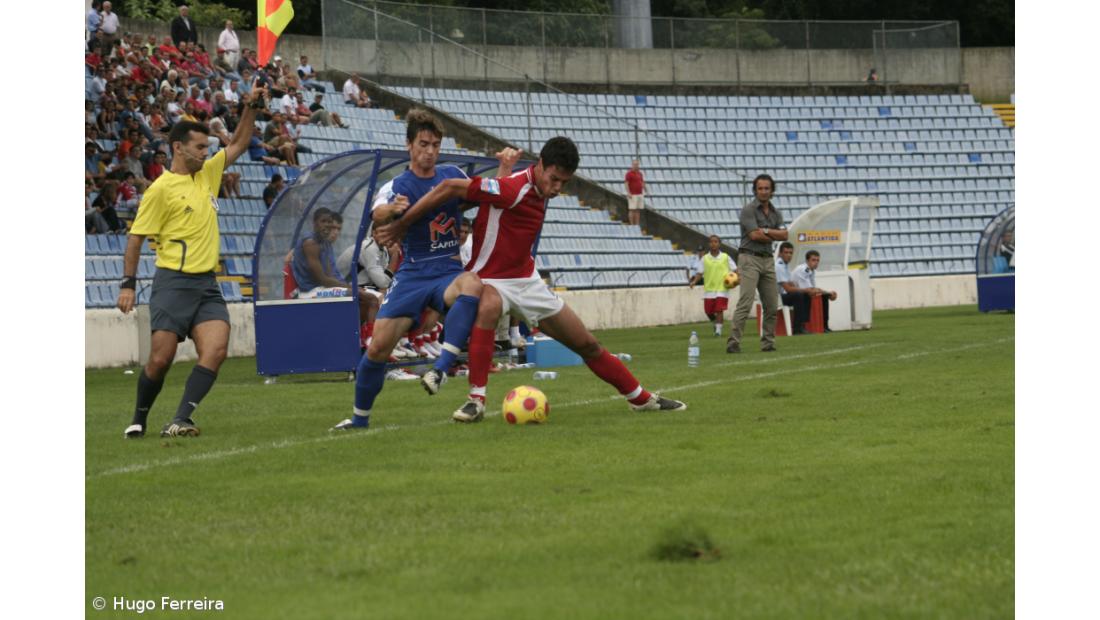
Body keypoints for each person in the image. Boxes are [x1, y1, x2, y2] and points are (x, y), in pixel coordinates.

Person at [378, 136, 687, 423]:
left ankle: (640, 398)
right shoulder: (513, 188)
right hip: (489, 279)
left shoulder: (538, 188)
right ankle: (476, 400)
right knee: (487, 306)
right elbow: (448, 188)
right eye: (553, 179)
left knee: (587, 344)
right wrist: (403, 224)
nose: (556, 188)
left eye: (563, 183)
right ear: (539, 164)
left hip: (527, 281)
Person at [115, 83, 269, 439]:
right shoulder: (160, 190)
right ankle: (139, 418)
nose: (206, 152)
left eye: (207, 147)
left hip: (206, 285)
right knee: (160, 360)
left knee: (216, 349)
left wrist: (251, 107)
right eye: (200, 147)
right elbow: (135, 238)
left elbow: (240, 144)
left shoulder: (208, 174)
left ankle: (181, 418)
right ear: (178, 148)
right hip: (172, 283)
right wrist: (128, 285)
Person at [328, 109, 494, 432]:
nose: (430, 151)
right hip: (412, 275)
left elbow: (480, 193)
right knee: (376, 348)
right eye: (423, 144)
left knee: (473, 285)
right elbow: (378, 213)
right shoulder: (397, 185)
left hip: (447, 268)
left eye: (435, 144)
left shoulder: (450, 173)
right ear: (409, 145)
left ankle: (441, 369)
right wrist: (392, 210)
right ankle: (359, 420)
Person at [726, 173, 787, 354]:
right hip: (749, 258)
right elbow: (754, 235)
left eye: (767, 188)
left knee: (771, 303)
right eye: (760, 188)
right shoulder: (748, 210)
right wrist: (773, 233)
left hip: (767, 259)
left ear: (772, 190)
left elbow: (785, 235)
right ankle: (733, 342)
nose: (763, 192)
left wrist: (766, 230)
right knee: (745, 301)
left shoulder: (776, 213)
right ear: (755, 190)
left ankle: (768, 342)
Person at [689, 234, 737, 337]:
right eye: (711, 242)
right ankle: (716, 323)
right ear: (709, 244)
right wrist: (694, 281)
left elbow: (735, 270)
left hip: (722, 288)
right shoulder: (705, 258)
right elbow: (700, 273)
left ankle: (718, 331)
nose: (713, 244)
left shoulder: (725, 257)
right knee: (708, 311)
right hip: (709, 289)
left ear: (719, 244)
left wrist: (738, 279)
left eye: (716, 242)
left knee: (719, 309)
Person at [789, 250, 836, 332]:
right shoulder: (803, 270)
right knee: (807, 295)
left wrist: (827, 294)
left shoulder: (812, 271)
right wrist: (828, 292)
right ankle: (799, 327)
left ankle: (824, 326)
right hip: (787, 295)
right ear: (807, 261)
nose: (816, 262)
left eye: (817, 260)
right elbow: (810, 290)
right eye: (813, 260)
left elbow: (813, 289)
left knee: (824, 296)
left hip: (797, 293)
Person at [775, 241, 811, 335]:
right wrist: (805, 289)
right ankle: (797, 328)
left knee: (805, 294)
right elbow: (788, 289)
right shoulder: (779, 266)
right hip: (775, 298)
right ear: (780, 253)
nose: (789, 255)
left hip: (781, 295)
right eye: (786, 252)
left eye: (790, 253)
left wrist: (805, 290)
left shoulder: (785, 265)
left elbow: (790, 283)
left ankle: (802, 325)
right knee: (798, 295)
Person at [624, 158, 645, 227]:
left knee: (637, 210)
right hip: (633, 194)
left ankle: (637, 224)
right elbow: (626, 183)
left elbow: (642, 182)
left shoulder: (640, 173)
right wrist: (628, 192)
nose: (636, 166)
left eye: (637, 164)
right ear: (632, 165)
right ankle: (632, 224)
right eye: (635, 164)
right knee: (632, 209)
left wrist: (646, 189)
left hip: (639, 193)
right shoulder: (629, 174)